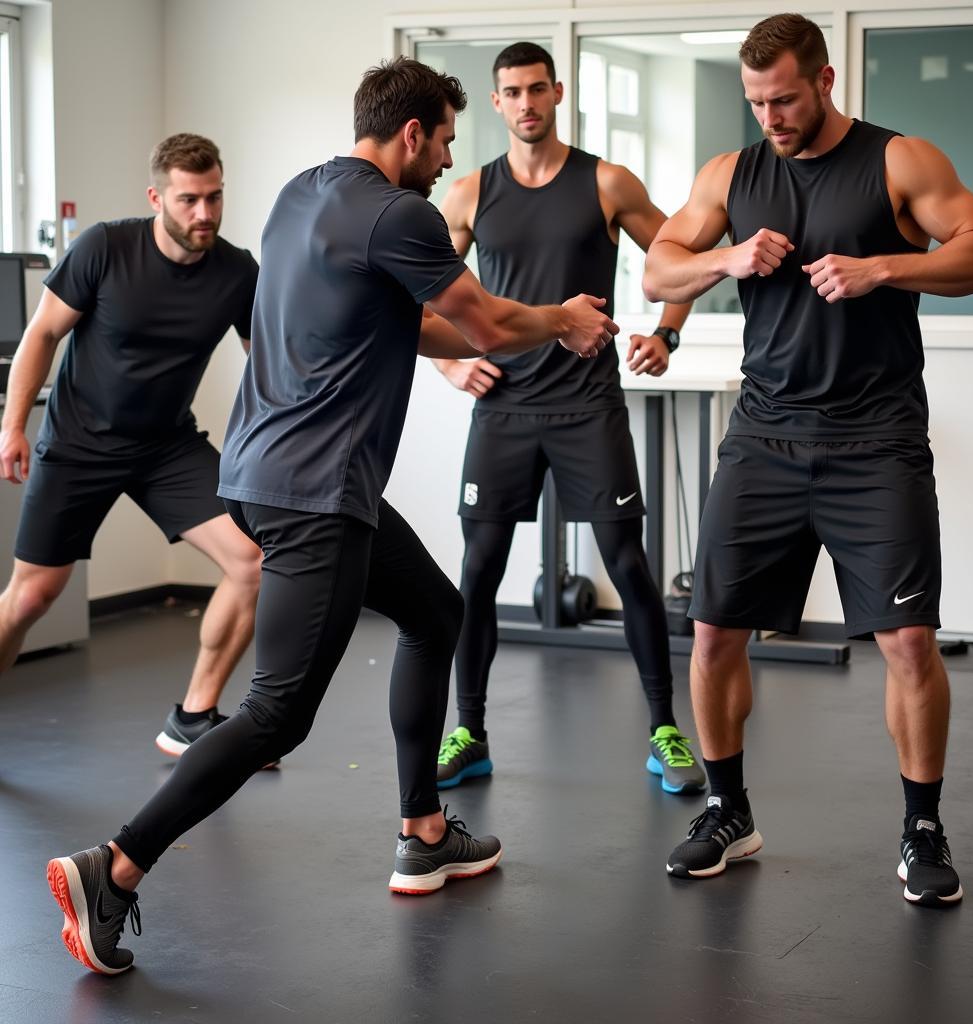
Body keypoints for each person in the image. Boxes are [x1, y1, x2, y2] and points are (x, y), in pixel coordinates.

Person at [47, 56, 618, 975]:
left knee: (437, 615)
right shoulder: (402, 213)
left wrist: (518, 326)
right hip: (315, 492)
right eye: (441, 140)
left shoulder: (302, 194)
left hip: (272, 474)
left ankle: (423, 829)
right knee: (277, 713)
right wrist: (561, 320)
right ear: (409, 135)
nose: (444, 159)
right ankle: (112, 868)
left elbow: (411, 321)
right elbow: (478, 320)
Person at [643, 13, 973, 904]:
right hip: (764, 436)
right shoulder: (732, 174)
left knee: (908, 641)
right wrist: (726, 256)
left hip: (875, 441)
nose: (770, 116)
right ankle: (728, 810)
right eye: (756, 102)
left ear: (825, 81)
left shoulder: (899, 160)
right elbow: (659, 269)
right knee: (714, 631)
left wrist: (885, 268)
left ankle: (921, 828)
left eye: (784, 99)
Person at [432, 42, 705, 795]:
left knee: (628, 564)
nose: (525, 104)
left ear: (558, 93)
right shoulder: (468, 194)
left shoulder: (607, 182)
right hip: (505, 408)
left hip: (588, 406)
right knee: (479, 573)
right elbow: (420, 293)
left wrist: (667, 331)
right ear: (497, 103)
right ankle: (471, 732)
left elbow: (682, 256)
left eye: (536, 90)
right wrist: (452, 363)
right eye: (511, 92)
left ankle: (664, 732)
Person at [0, 133, 263, 757]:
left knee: (254, 562)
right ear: (157, 198)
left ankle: (193, 717)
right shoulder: (104, 247)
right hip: (78, 444)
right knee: (31, 596)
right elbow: (42, 336)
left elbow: (265, 368)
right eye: (189, 200)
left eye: (215, 198)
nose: (205, 213)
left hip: (167, 447)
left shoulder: (236, 271)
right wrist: (14, 425)